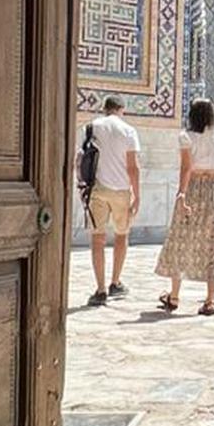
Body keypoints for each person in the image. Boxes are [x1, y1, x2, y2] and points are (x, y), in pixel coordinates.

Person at [155, 98, 214, 316]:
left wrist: (181, 193)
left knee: (180, 238)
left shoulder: (186, 136)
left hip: (194, 184)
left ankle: (175, 296)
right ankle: (210, 300)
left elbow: (186, 167)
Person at [78, 95, 140, 307]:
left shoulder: (92, 126)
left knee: (98, 238)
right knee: (121, 236)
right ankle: (115, 282)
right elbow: (133, 167)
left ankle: (100, 289)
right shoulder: (129, 130)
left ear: (105, 109)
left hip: (98, 189)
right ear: (121, 109)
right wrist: (137, 194)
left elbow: (81, 158)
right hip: (121, 190)